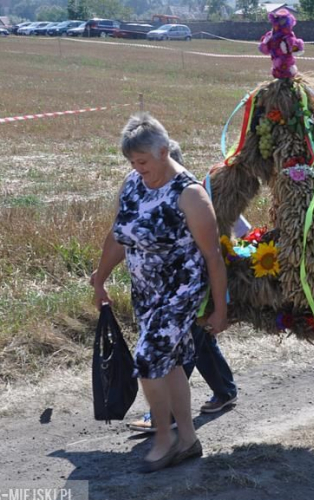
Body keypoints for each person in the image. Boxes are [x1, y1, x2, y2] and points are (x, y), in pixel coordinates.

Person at [92, 113, 228, 473]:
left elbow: (213, 257)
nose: (138, 169)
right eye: (132, 163)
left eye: (143, 161)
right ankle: (188, 439)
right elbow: (120, 235)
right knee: (169, 365)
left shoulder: (191, 196)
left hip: (181, 290)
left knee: (149, 359)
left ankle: (164, 439)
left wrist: (220, 309)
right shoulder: (134, 184)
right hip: (145, 291)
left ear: (164, 151)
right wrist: (100, 277)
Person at [125, 140, 238, 434]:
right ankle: (224, 391)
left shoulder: (194, 194)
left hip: (195, 285)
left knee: (173, 349)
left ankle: (169, 417)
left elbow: (238, 229)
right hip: (173, 289)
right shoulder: (153, 193)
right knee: (196, 341)